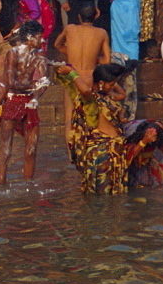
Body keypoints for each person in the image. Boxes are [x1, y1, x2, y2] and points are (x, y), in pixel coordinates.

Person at [59, 63, 141, 194]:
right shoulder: (92, 100)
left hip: (115, 153)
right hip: (101, 154)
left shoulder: (107, 97)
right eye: (111, 84)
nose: (113, 86)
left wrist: (111, 81)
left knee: (115, 196)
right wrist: (72, 73)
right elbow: (85, 90)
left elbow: (122, 95)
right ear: (101, 82)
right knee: (101, 195)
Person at [0, 21, 47, 187]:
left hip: (29, 102)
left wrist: (36, 97)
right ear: (30, 37)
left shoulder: (40, 55)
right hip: (12, 100)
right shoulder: (13, 53)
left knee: (31, 150)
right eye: (40, 37)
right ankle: (0, 187)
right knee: (6, 151)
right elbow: (11, 82)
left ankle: (28, 188)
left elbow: (44, 82)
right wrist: (34, 86)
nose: (43, 41)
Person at [54, 3, 110, 139]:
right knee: (91, 114)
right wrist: (93, 58)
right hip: (90, 77)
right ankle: (90, 148)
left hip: (71, 75)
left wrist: (72, 55)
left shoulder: (69, 29)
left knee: (69, 116)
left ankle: (71, 155)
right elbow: (107, 61)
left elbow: (57, 45)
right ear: (95, 16)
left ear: (79, 17)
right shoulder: (101, 32)